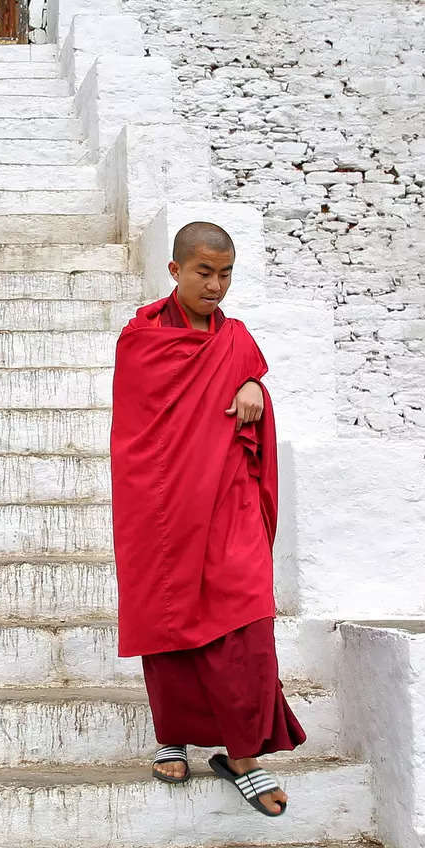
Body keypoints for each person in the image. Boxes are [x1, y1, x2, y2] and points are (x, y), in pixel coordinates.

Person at [109, 219, 304, 817]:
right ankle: (174, 735)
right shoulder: (140, 341)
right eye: (203, 272)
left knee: (246, 618)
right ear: (174, 271)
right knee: (169, 612)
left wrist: (254, 386)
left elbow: (247, 384)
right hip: (165, 505)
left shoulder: (236, 337)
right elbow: (139, 435)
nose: (215, 285)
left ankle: (241, 754)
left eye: (224, 275)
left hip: (228, 499)